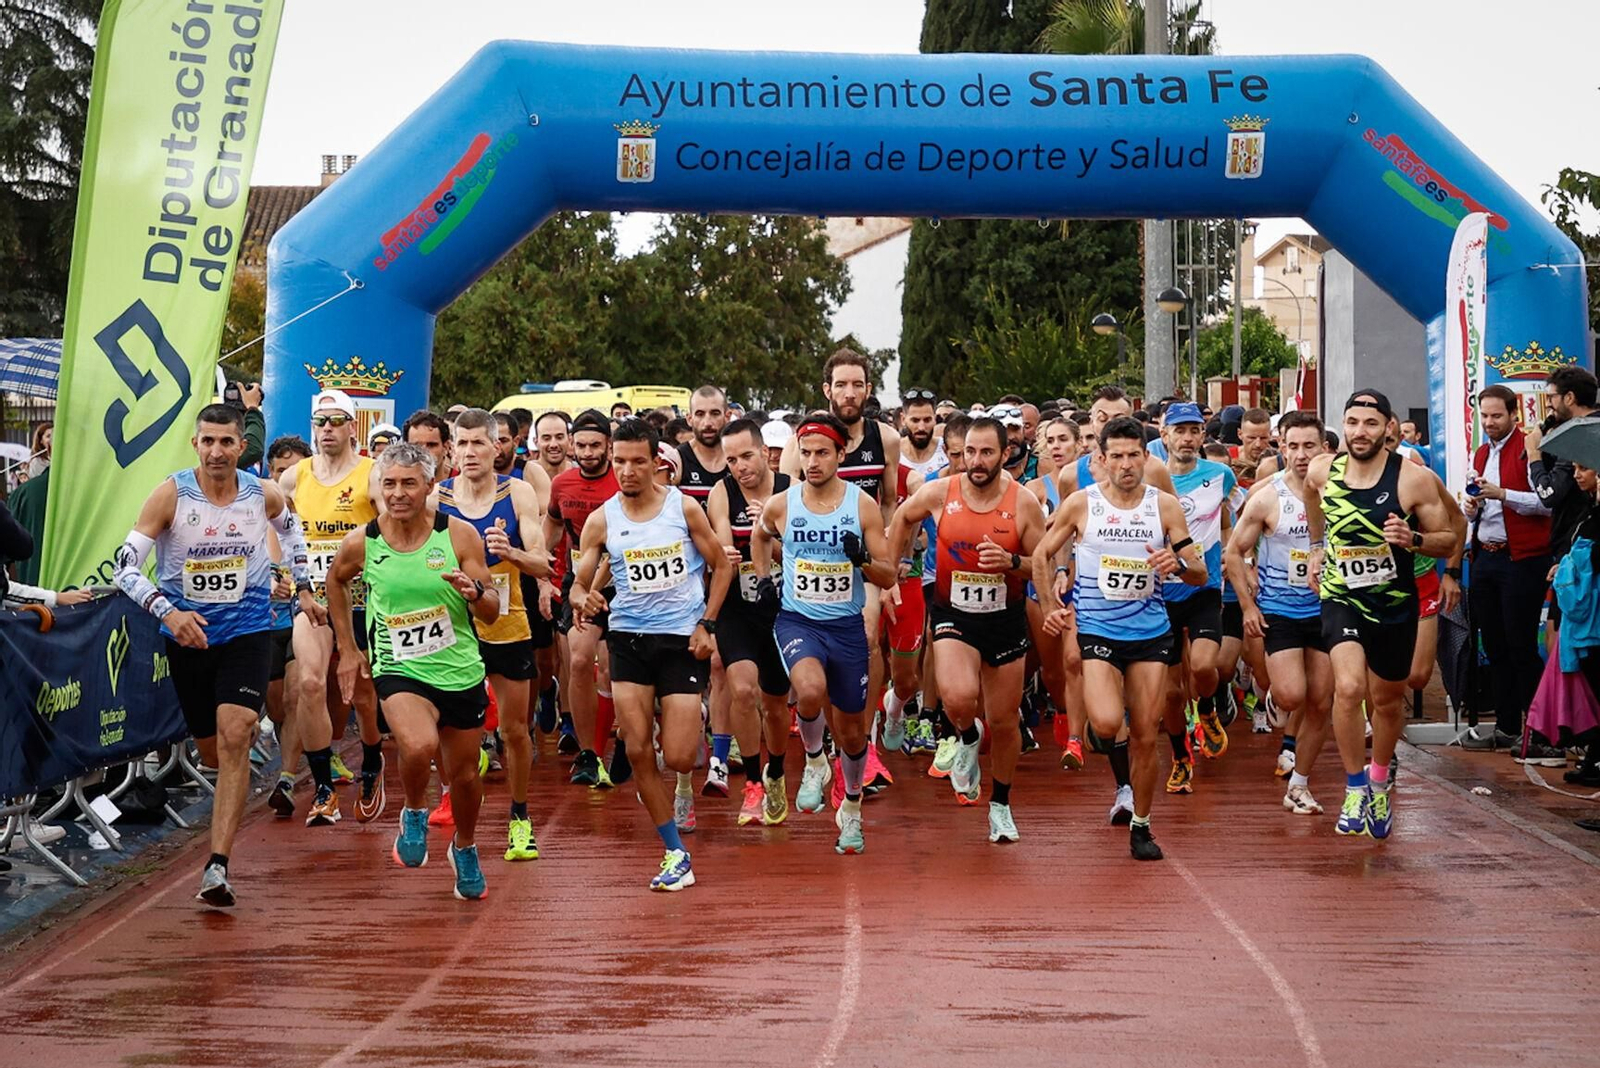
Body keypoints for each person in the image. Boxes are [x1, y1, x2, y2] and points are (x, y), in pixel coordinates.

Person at [115, 404, 313, 907]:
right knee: (213, 753)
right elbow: (124, 568)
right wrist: (169, 612)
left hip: (248, 631)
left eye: (227, 442)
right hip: (189, 638)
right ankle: (225, 816)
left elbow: (292, 530)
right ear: (195, 443)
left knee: (237, 733)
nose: (217, 451)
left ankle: (217, 866)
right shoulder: (171, 495)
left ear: (240, 447)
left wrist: (300, 581)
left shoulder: (261, 493)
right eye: (208, 441)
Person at [327, 442, 500, 901]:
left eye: (408, 483)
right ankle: (415, 812)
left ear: (429, 485)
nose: (399, 493)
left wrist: (474, 592)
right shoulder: (364, 541)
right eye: (389, 484)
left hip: (459, 668)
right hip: (398, 665)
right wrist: (348, 647)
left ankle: (464, 847)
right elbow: (335, 580)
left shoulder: (459, 536)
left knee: (464, 777)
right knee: (419, 744)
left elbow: (492, 613)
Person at [1033, 416, 1206, 860]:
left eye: (1134, 455)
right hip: (1098, 629)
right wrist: (1052, 611)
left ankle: (1143, 826)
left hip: (1150, 632)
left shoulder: (1164, 506)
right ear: (1100, 460)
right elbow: (1041, 554)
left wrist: (1177, 563)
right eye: (1117, 456)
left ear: (1146, 458)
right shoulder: (1081, 504)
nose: (1126, 464)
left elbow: (1199, 570)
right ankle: (1116, 768)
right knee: (1108, 724)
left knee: (1147, 734)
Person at [569, 419, 729, 889]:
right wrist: (585, 598)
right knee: (639, 751)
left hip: (680, 640)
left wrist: (708, 624)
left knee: (679, 756)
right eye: (619, 461)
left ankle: (686, 726)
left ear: (656, 462)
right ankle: (674, 851)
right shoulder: (602, 519)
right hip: (629, 641)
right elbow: (579, 583)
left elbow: (721, 567)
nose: (627, 470)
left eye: (638, 461)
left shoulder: (684, 509)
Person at [1305, 390, 1459, 839]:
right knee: (1349, 688)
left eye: (1370, 424)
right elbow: (1315, 503)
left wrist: (1412, 540)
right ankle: (1353, 787)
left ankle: (1377, 780)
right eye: (1352, 422)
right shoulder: (1322, 469)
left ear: (1388, 427)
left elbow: (1448, 539)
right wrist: (1317, 548)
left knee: (1389, 700)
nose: (1359, 432)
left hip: (1394, 602)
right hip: (1340, 595)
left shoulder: (1413, 479)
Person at [889, 417, 1045, 842]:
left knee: (1005, 721)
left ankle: (1001, 805)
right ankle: (966, 734)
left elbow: (1042, 562)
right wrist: (891, 572)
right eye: (968, 452)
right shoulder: (942, 492)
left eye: (986, 452)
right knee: (958, 699)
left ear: (1005, 454)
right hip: (953, 613)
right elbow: (903, 518)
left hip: (1005, 618)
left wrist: (1013, 564)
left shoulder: (1023, 502)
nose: (976, 461)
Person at [755, 412, 897, 855]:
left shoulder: (862, 506)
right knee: (809, 691)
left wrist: (863, 561)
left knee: (854, 734)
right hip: (799, 620)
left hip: (847, 627)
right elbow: (760, 537)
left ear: (841, 454)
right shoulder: (783, 503)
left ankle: (851, 808)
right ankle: (815, 761)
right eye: (807, 453)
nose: (813, 462)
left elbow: (889, 574)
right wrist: (764, 580)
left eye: (822, 453)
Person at [781, 350, 901, 789]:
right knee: (818, 666)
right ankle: (824, 745)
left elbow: (889, 502)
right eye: (842, 385)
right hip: (813, 561)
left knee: (869, 637)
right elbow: (788, 505)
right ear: (826, 390)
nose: (850, 393)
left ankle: (860, 746)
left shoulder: (885, 438)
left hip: (862, 559)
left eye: (858, 385)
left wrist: (882, 560)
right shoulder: (801, 442)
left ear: (868, 390)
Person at [436, 409, 550, 862]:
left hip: (506, 623)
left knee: (514, 729)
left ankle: (520, 817)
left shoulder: (517, 492)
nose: (469, 453)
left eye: (478, 444)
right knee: (448, 728)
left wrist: (513, 553)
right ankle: (455, 801)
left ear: (497, 446)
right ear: (451, 449)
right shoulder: (436, 498)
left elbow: (543, 563)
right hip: (453, 627)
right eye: (460, 445)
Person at [276, 389, 385, 826]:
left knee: (363, 693)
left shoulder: (373, 475)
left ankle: (373, 760)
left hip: (364, 600)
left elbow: (393, 526)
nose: (327, 430)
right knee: (309, 683)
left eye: (337, 421)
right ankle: (322, 787)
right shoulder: (294, 478)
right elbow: (277, 529)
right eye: (321, 422)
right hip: (314, 600)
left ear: (351, 427)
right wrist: (279, 572)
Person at [1225, 411, 1334, 815]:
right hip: (1281, 609)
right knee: (1293, 694)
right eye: (1293, 446)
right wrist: (1248, 605)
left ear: (1324, 448)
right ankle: (1273, 696)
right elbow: (1233, 552)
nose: (1302, 455)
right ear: (1281, 447)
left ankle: (1300, 785)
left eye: (1310, 446)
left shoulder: (1339, 494)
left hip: (1328, 609)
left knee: (1321, 702)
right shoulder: (1268, 496)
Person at [1462, 384, 1560, 763]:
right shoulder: (1482, 451)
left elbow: (1547, 504)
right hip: (1485, 557)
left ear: (1514, 414)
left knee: (1521, 646)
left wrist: (1502, 494)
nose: (1489, 423)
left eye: (1497, 416)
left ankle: (1541, 731)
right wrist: (1472, 505)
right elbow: (1478, 507)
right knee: (1495, 646)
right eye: (1484, 416)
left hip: (1523, 558)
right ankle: (1507, 727)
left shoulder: (1532, 448)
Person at [705, 417, 792, 826]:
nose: (740, 466)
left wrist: (768, 533)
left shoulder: (791, 489)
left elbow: (801, 556)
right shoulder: (721, 493)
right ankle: (753, 781)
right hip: (738, 607)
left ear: (765, 452)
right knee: (742, 690)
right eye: (732, 460)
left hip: (783, 608)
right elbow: (721, 542)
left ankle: (776, 771)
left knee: (776, 705)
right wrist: (726, 553)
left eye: (747, 456)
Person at [1155, 402, 1237, 795]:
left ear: (1203, 436)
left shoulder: (1220, 475)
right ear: (1164, 434)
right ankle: (1180, 757)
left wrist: (1235, 551)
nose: (1187, 438)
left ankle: (1206, 707)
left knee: (1206, 667)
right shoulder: (1150, 480)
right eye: (1180, 431)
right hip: (1160, 593)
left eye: (1194, 431)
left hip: (1204, 586)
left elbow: (1237, 516)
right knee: (1170, 691)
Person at [543, 410, 621, 786]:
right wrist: (544, 572)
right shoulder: (562, 483)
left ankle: (620, 739)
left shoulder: (621, 482)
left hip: (622, 581)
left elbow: (612, 550)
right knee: (577, 660)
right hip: (579, 578)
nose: (588, 453)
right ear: (572, 445)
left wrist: (592, 588)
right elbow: (554, 524)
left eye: (596, 445)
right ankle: (589, 754)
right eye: (582, 445)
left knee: (610, 670)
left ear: (609, 445)